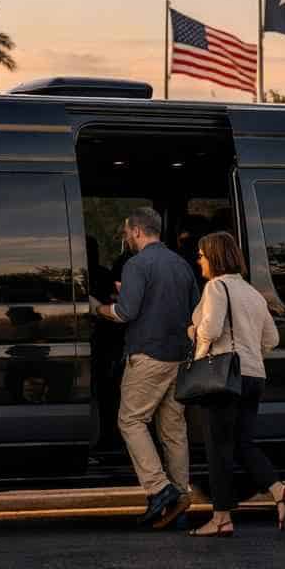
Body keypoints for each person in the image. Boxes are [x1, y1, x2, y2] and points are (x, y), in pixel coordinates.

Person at [184, 231, 285, 537]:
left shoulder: (216, 287)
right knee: (242, 443)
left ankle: (221, 519)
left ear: (215, 258)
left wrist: (195, 336)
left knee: (218, 448)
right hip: (254, 376)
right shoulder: (252, 293)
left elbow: (210, 329)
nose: (199, 260)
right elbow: (271, 339)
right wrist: (248, 354)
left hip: (224, 378)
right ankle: (279, 490)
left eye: (202, 255)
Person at [94, 207, 198, 528]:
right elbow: (195, 311)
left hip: (147, 354)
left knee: (130, 420)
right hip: (179, 355)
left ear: (137, 231)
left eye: (127, 232)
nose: (126, 238)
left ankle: (158, 488)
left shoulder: (137, 264)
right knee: (173, 429)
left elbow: (124, 314)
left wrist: (98, 308)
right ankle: (180, 495)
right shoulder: (181, 265)